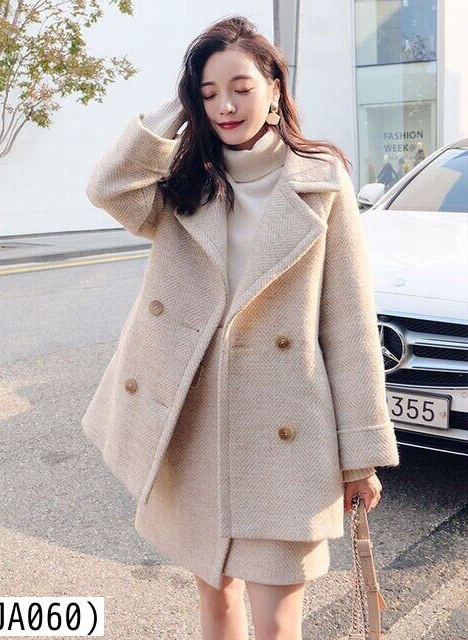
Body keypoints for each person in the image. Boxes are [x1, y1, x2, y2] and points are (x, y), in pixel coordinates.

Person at [83, 15, 398, 640]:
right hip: (199, 425)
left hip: (286, 435)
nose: (225, 106)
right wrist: (179, 107)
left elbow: (349, 322)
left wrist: (361, 455)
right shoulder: (187, 182)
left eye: (241, 87)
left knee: (277, 624)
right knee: (217, 603)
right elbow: (108, 187)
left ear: (275, 87)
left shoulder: (321, 178)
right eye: (209, 94)